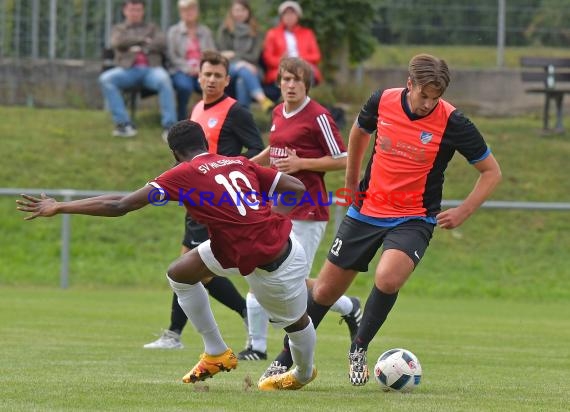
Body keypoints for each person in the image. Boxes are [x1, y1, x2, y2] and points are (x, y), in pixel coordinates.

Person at [258, 53, 502, 388]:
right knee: (326, 290)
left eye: (436, 98)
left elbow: (491, 172)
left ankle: (359, 346)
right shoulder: (382, 101)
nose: (428, 104)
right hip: (366, 211)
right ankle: (285, 357)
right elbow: (359, 134)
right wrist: (351, 182)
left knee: (388, 278)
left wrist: (464, 210)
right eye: (423, 96)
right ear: (409, 84)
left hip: (414, 217)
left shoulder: (453, 122)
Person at [17, 120, 318, 391]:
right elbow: (295, 186)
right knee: (181, 273)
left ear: (174, 154)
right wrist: (270, 220)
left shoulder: (184, 173)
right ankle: (216, 352)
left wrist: (60, 207)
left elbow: (120, 205)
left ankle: (303, 373)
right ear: (206, 144)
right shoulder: (236, 161)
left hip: (274, 266)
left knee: (295, 324)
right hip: (253, 246)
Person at [242, 57, 361, 362]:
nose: (291, 85)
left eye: (297, 80)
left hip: (309, 210)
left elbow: (344, 158)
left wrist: (302, 164)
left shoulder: (318, 116)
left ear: (307, 84)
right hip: (277, 208)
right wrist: (243, 166)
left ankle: (347, 309)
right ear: (278, 82)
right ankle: (256, 347)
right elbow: (275, 150)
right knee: (264, 270)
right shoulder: (279, 112)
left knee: (292, 280)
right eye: (286, 79)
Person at [144, 50, 265, 351]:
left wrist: (226, 172)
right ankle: (175, 333)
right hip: (196, 200)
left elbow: (259, 150)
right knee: (187, 265)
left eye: (217, 75)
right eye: (206, 74)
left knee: (196, 271)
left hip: (216, 202)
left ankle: (236, 318)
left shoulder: (236, 111)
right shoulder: (197, 107)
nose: (211, 80)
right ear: (198, 76)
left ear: (227, 80)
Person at [98, 0, 176, 138]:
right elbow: (118, 42)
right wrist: (143, 40)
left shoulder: (152, 27)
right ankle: (123, 124)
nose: (135, 13)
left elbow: (162, 42)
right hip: (128, 71)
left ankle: (169, 127)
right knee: (106, 79)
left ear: (143, 11)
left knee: (164, 80)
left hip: (151, 70)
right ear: (125, 11)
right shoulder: (119, 29)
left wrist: (136, 46)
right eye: (132, 10)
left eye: (138, 10)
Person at [216, 0, 273, 111]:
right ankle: (262, 99)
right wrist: (242, 63)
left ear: (248, 12)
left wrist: (236, 57)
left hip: (253, 69)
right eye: (236, 10)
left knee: (242, 80)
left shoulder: (256, 31)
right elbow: (223, 56)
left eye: (243, 10)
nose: (239, 13)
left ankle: (243, 118)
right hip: (229, 68)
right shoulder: (224, 30)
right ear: (231, 12)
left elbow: (254, 57)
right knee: (242, 69)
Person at [261, 1, 321, 101]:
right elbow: (268, 58)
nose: (289, 16)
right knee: (287, 74)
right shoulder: (272, 34)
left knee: (306, 72)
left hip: (304, 66)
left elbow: (316, 56)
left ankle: (302, 102)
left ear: (298, 16)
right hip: (280, 68)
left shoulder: (307, 33)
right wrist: (282, 59)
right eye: (286, 13)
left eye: (292, 13)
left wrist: (300, 58)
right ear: (281, 16)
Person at [167, 0, 216, 121]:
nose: (188, 13)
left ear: (197, 11)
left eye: (192, 9)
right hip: (180, 70)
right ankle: (181, 118)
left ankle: (207, 118)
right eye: (185, 10)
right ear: (180, 13)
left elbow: (212, 53)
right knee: (184, 86)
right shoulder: (174, 32)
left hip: (203, 70)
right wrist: (188, 69)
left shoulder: (205, 31)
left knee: (212, 85)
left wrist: (202, 68)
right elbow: (171, 56)